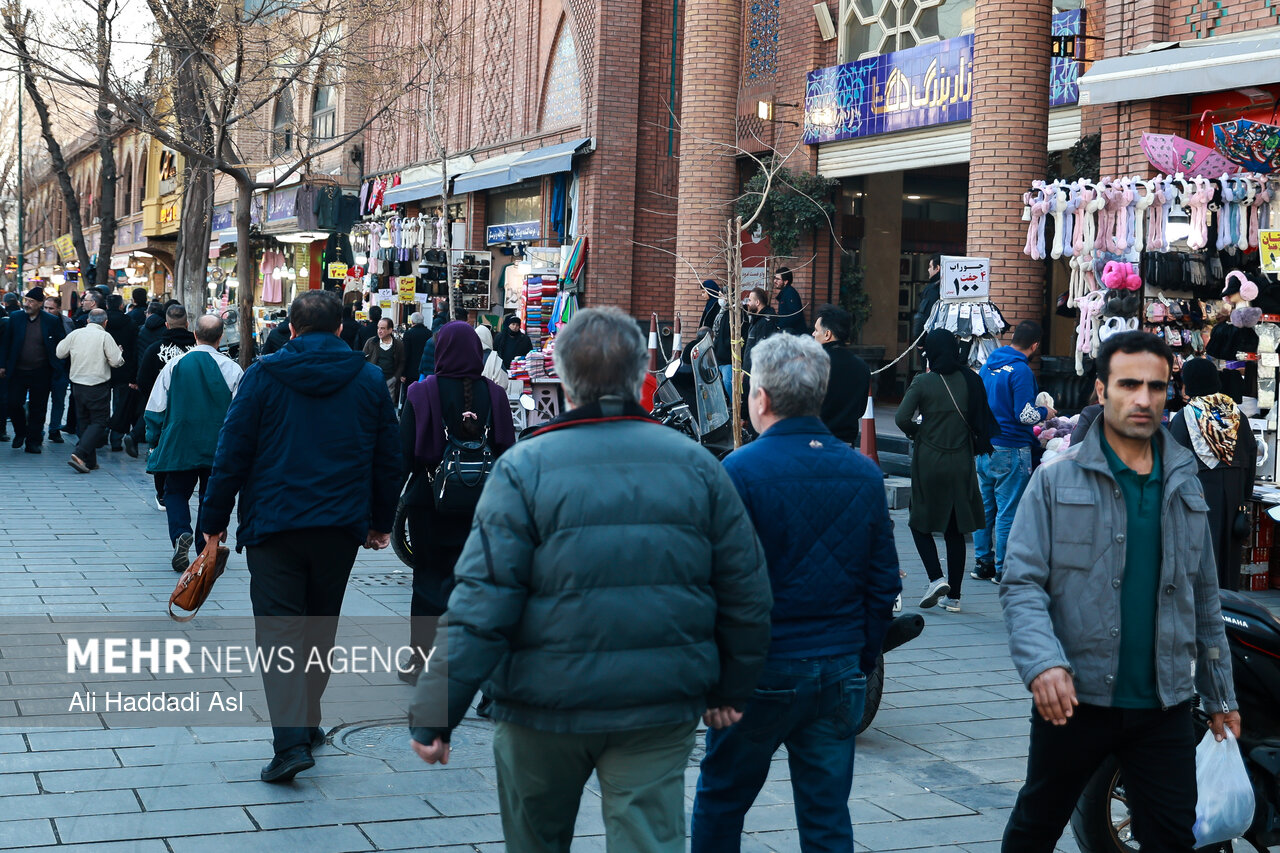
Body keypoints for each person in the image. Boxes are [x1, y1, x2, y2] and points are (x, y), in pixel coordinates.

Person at [408, 307, 773, 853]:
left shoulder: (524, 468)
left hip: (541, 702)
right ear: (639, 376)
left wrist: (438, 710)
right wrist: (731, 688)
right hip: (657, 699)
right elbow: (745, 591)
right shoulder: (697, 466)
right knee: (649, 840)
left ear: (564, 378)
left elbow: (483, 599)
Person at [999, 331, 1240, 853]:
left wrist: (1220, 694)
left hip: (1166, 704)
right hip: (1076, 700)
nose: (1143, 399)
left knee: (1173, 838)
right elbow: (1021, 583)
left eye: (1156, 387)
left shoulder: (1185, 483)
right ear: (1101, 390)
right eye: (1129, 384)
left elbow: (1204, 598)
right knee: (1035, 826)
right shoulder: (1056, 480)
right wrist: (1043, 664)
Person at [691, 334, 901, 852]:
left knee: (721, 801)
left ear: (759, 397)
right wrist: (863, 655)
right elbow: (884, 583)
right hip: (837, 666)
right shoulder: (862, 472)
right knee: (827, 816)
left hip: (761, 669)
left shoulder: (739, 470)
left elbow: (715, 584)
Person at [200, 290, 401, 784]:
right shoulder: (369, 378)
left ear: (291, 328)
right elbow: (388, 458)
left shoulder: (263, 375)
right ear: (340, 329)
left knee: (280, 633)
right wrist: (380, 521)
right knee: (319, 627)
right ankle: (305, 722)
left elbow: (233, 451)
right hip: (338, 527)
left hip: (275, 524)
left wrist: (214, 517)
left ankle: (291, 741)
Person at [398, 321, 517, 682]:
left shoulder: (421, 392)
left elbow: (404, 455)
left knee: (428, 581)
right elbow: (507, 450)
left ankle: (422, 661)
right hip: (482, 505)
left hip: (429, 504)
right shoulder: (495, 395)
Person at [895, 329, 988, 613]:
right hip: (960, 462)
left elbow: (901, 418)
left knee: (919, 522)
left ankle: (936, 577)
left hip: (929, 461)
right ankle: (955, 597)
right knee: (955, 529)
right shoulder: (970, 380)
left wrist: (918, 432)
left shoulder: (923, 381)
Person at [144, 315, 243, 573]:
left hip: (180, 441)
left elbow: (156, 408)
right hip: (218, 444)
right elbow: (242, 413)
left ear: (194, 334)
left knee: (175, 492)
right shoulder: (232, 369)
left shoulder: (174, 365)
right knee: (210, 496)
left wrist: (153, 438)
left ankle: (180, 533)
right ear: (221, 337)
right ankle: (203, 546)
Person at [972, 321, 1054, 583]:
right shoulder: (1020, 371)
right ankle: (1002, 568)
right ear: (1035, 345)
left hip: (984, 446)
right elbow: (1025, 414)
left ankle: (982, 562)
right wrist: (1046, 412)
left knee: (985, 508)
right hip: (1010, 447)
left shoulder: (989, 364)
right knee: (1008, 510)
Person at [1169, 357, 1258, 592]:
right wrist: (1245, 497)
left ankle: (1206, 611)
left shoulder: (1186, 417)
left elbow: (1173, 463)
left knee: (1203, 556)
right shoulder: (1236, 414)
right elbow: (1250, 455)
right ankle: (1229, 608)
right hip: (1235, 493)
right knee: (1230, 555)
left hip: (1199, 493)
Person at [126, 303, 196, 474]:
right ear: (187, 324)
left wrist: (154, 396)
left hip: (162, 401)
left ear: (166, 325)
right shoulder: (196, 348)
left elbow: (143, 378)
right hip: (193, 402)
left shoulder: (155, 349)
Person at [55, 309, 124, 474]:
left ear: (88, 320)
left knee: (85, 422)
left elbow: (59, 353)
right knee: (99, 422)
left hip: (77, 385)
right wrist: (120, 353)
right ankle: (79, 453)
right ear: (105, 322)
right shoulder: (105, 336)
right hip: (97, 385)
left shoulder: (75, 334)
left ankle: (90, 461)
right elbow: (116, 362)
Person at [0, 287, 66, 454]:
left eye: (31, 302)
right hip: (18, 370)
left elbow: (60, 345)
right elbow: (5, 343)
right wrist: (2, 365)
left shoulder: (51, 321)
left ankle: (33, 441)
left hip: (41, 371)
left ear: (39, 304)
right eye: (26, 301)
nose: (27, 304)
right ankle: (21, 432)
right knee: (13, 403)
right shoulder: (16, 318)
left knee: (38, 408)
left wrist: (58, 367)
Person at [813, 304, 871, 447]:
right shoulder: (862, 366)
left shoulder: (814, 364)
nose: (813, 334)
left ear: (827, 334)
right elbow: (860, 409)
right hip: (846, 443)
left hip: (816, 442)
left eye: (816, 330)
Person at [104, 294, 137, 452]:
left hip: (103, 368)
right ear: (121, 306)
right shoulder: (130, 323)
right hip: (124, 369)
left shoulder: (102, 323)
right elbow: (134, 349)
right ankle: (116, 439)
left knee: (103, 404)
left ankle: (100, 435)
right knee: (119, 406)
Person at [43, 296, 72, 443]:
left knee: (59, 400)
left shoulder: (67, 323)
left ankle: (54, 429)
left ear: (58, 309)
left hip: (61, 368)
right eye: (46, 307)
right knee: (40, 401)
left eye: (51, 308)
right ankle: (37, 430)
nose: (47, 311)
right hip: (42, 367)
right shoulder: (39, 321)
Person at [362, 316, 405, 400]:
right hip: (373, 380)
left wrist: (395, 378)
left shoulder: (398, 344)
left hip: (390, 381)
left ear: (390, 330)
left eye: (382, 328)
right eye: (378, 328)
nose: (379, 331)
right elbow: (363, 359)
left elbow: (402, 362)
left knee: (388, 407)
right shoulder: (371, 342)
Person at [742, 287, 778, 377]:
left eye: (750, 300)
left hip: (756, 376)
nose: (747, 303)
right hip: (749, 373)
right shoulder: (756, 320)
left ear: (757, 302)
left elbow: (761, 352)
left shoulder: (765, 323)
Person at [400, 311, 433, 401]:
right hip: (426, 370)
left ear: (412, 322)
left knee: (409, 396)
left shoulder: (408, 334)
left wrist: (403, 373)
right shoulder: (430, 333)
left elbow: (405, 355)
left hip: (411, 371)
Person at [911, 254, 942, 343]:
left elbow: (922, 317)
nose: (928, 270)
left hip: (932, 339)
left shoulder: (932, 289)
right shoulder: (949, 286)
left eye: (930, 267)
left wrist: (919, 342)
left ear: (937, 268)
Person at [772, 266, 806, 335]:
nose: (775, 281)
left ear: (786, 282)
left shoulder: (790, 293)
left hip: (793, 336)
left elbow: (794, 315)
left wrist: (779, 326)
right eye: (774, 278)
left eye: (778, 279)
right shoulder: (786, 292)